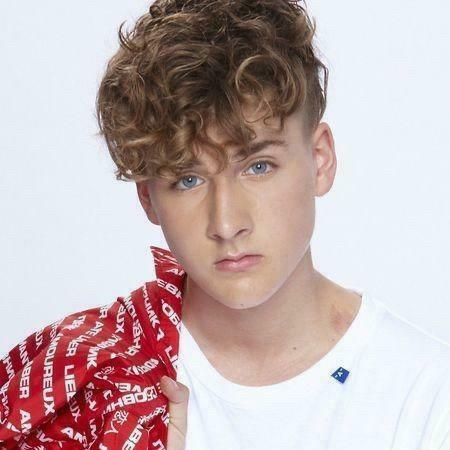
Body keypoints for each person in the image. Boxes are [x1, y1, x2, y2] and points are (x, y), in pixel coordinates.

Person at [0, 1, 449, 449]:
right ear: (148, 197)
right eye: (187, 179)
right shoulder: (88, 385)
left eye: (258, 167)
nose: (227, 223)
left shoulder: (426, 395)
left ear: (320, 160)